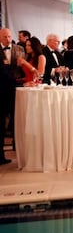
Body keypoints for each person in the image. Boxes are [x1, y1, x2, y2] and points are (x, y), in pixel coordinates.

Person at [0, 28, 24, 164]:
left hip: (15, 90)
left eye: (9, 36)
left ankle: (18, 148)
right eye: (5, 37)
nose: (8, 39)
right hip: (2, 90)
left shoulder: (18, 49)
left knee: (16, 119)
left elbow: (20, 69)